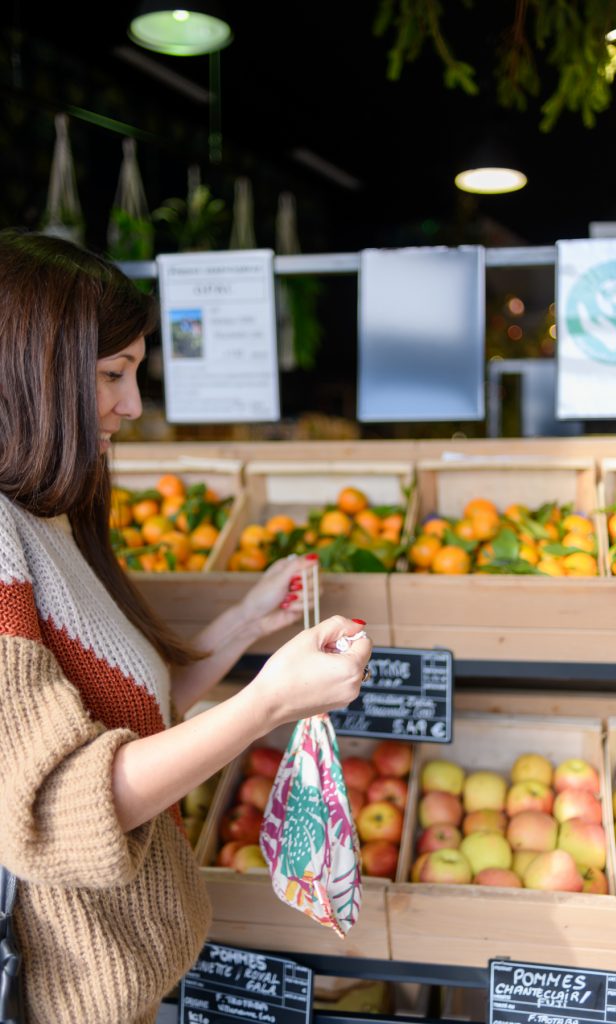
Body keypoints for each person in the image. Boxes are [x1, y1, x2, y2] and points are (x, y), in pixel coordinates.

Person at [0, 228, 371, 1024]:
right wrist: (267, 703)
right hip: (63, 997)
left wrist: (240, 626)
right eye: (111, 375)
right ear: (28, 371)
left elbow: (127, 715)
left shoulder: (49, 516)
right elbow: (61, 804)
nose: (132, 405)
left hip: (125, 979)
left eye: (135, 373)